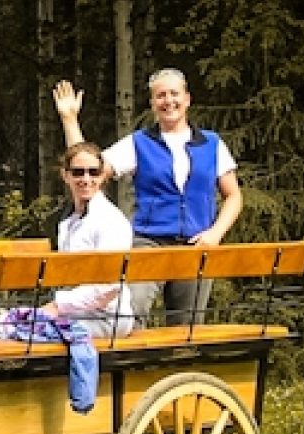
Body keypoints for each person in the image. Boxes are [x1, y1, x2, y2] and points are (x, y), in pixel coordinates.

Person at [52, 68, 243, 326]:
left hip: (196, 246)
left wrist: (215, 234)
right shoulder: (139, 143)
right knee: (132, 312)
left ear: (187, 98)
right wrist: (70, 119)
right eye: (160, 95)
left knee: (187, 328)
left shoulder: (211, 144)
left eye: (174, 93)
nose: (168, 101)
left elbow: (233, 196)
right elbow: (89, 169)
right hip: (148, 243)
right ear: (153, 103)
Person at [36, 142, 134, 338]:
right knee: (8, 325)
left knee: (30, 331)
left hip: (107, 318)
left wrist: (57, 306)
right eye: (78, 172)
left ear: (102, 175)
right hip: (77, 313)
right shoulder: (68, 222)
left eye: (94, 172)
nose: (86, 179)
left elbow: (109, 287)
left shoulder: (110, 221)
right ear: (66, 176)